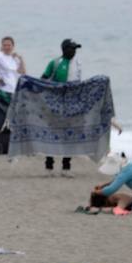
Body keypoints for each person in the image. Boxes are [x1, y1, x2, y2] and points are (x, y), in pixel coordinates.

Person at [41, 39, 83, 175]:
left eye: (75, 49)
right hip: (54, 104)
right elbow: (43, 79)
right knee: (51, 135)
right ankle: (49, 166)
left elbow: (79, 83)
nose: (74, 51)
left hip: (71, 105)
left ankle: (66, 167)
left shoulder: (78, 64)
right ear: (64, 49)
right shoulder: (55, 63)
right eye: (72, 48)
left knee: (69, 136)